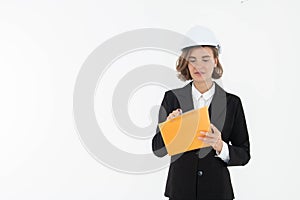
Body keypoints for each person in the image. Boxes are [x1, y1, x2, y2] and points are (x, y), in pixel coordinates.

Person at [152, 26, 251, 200]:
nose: (199, 66)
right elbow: (158, 149)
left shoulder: (232, 103)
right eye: (193, 60)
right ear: (186, 63)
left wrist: (221, 146)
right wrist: (169, 128)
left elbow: (243, 154)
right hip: (180, 192)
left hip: (217, 192)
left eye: (205, 59)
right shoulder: (172, 98)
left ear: (215, 61)